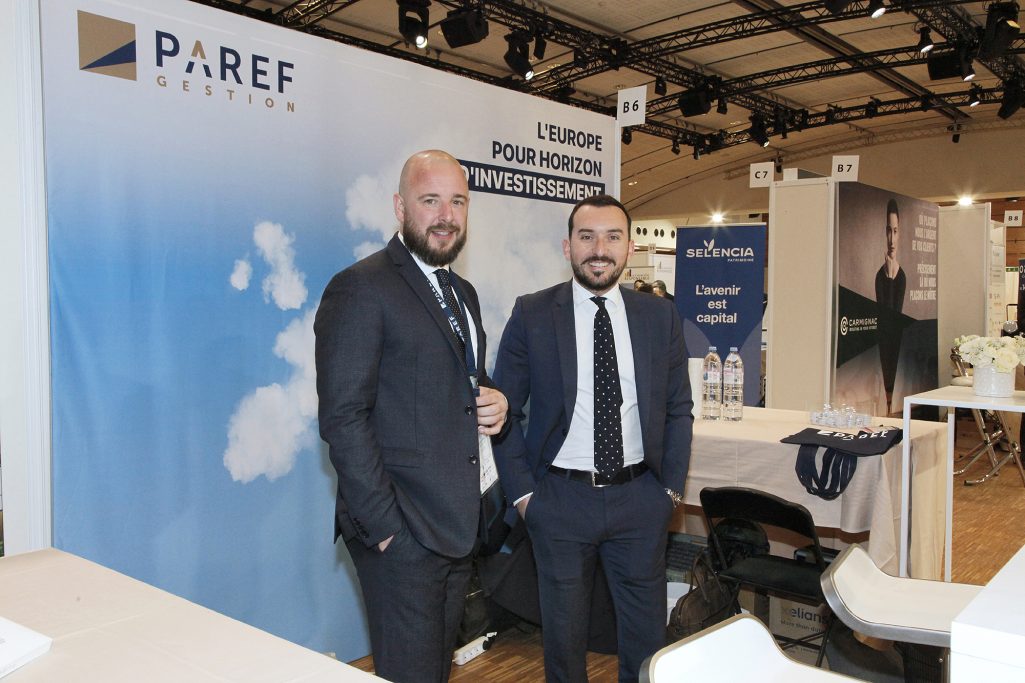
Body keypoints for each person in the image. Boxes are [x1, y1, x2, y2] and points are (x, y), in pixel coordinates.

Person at [314, 149, 508, 683]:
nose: (446, 215)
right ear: (400, 207)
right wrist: (387, 533)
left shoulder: (462, 293)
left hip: (456, 528)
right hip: (402, 535)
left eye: (457, 202)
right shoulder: (361, 287)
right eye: (430, 201)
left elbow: (465, 384)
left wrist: (498, 404)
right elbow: (344, 418)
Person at [493, 194, 693, 682]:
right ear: (568, 246)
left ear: (629, 248)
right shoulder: (533, 314)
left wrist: (669, 491)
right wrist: (524, 496)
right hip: (558, 502)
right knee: (563, 645)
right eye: (587, 237)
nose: (599, 249)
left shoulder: (659, 316)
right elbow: (503, 411)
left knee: (646, 643)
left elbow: (678, 409)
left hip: (640, 499)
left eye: (612, 237)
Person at [876, 198, 906, 413]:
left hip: (896, 343)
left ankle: (891, 404)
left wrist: (892, 276)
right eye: (888, 231)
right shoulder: (881, 274)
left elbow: (894, 317)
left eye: (895, 231)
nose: (892, 239)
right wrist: (888, 277)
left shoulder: (901, 275)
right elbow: (884, 317)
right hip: (882, 342)